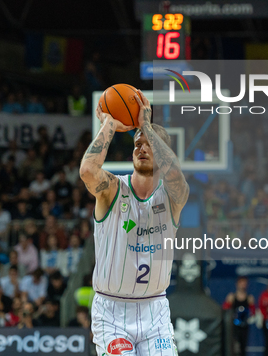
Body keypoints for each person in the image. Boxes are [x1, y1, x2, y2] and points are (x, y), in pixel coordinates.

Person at [80, 90, 189, 356]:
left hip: (155, 312)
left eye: (148, 144)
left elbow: (175, 173)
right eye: (137, 144)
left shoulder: (173, 196)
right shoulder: (112, 189)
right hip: (112, 310)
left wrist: (145, 126)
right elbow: (87, 171)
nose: (141, 147)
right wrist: (110, 123)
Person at [223, 276, 256, 356]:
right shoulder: (231, 297)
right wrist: (229, 303)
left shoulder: (249, 298)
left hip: (244, 326)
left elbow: (253, 313)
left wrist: (251, 306)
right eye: (241, 283)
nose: (243, 285)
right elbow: (225, 310)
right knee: (233, 346)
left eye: (245, 283)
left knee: (243, 347)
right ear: (237, 284)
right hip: (233, 326)